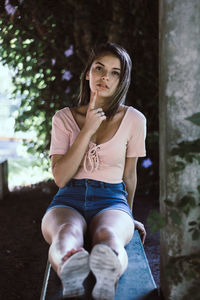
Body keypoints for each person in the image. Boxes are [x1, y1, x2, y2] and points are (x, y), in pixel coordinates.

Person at [41, 42, 147, 300]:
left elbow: (129, 176)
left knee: (108, 235)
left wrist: (127, 217)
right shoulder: (63, 118)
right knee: (67, 233)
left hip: (111, 199)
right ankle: (70, 269)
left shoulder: (134, 119)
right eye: (99, 68)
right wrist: (87, 129)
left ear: (122, 80)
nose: (105, 77)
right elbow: (61, 177)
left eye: (115, 72)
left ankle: (108, 273)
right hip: (68, 199)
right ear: (87, 73)